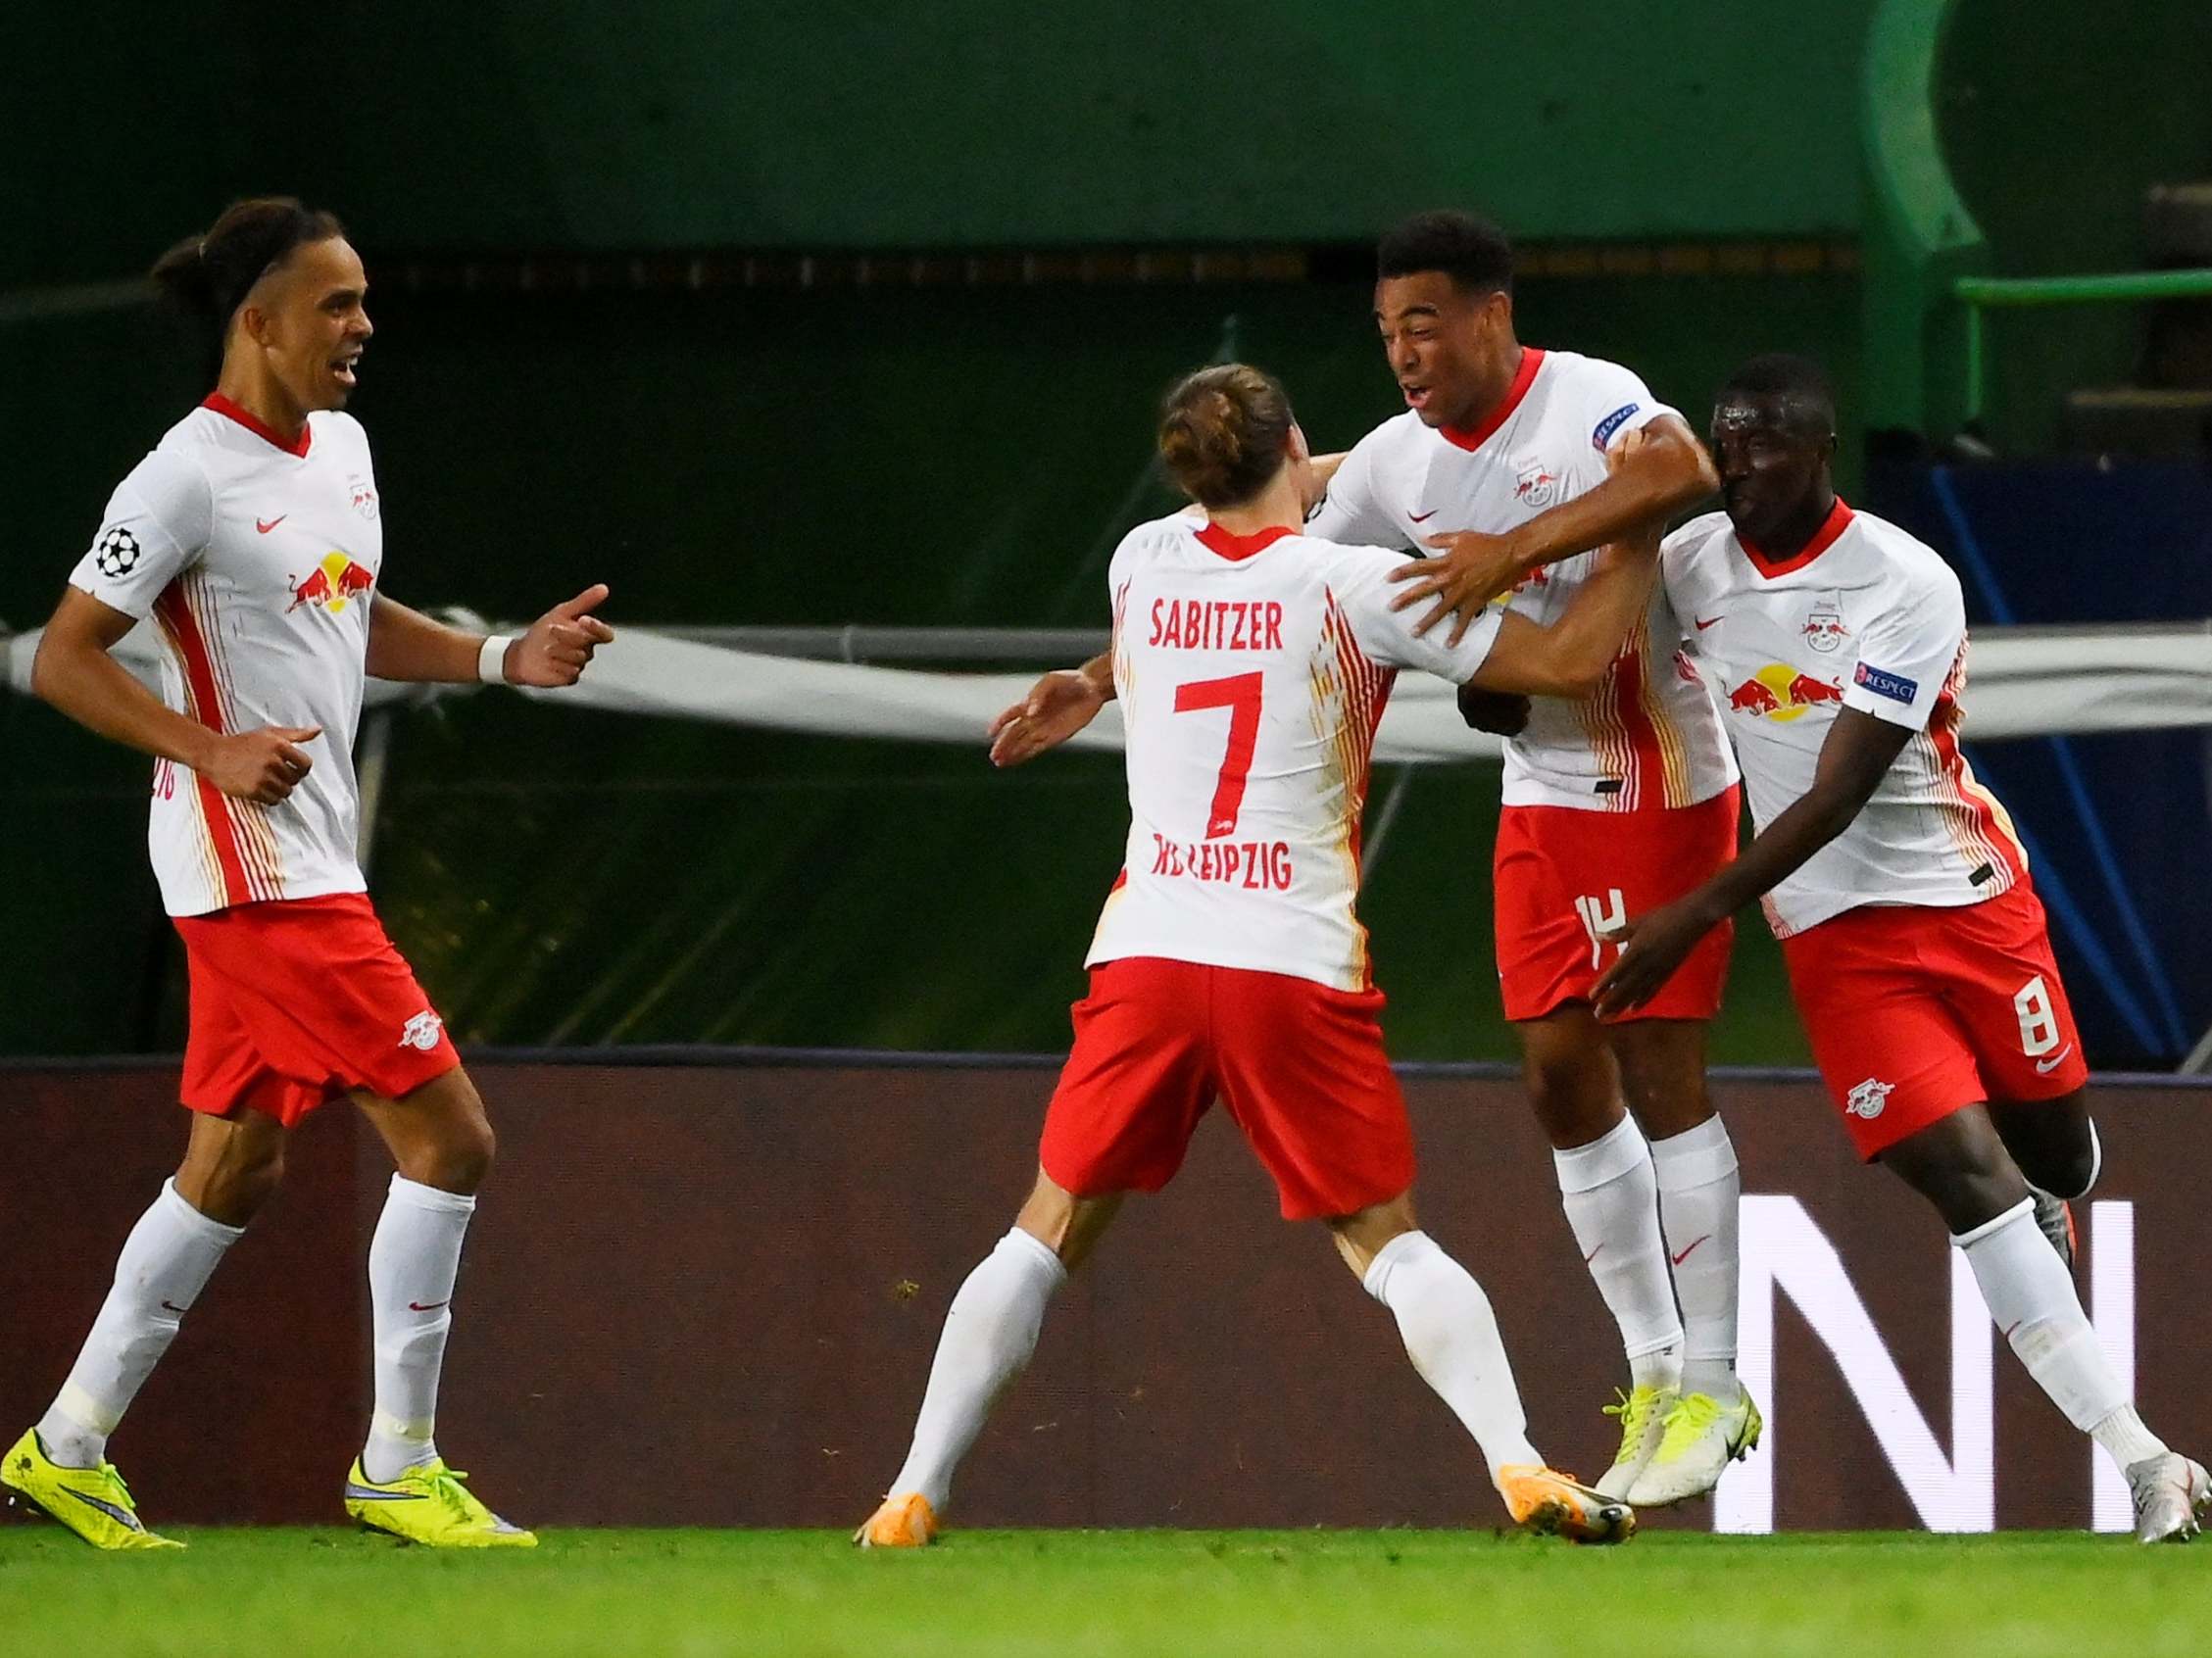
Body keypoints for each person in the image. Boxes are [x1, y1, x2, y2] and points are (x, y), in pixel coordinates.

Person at [994, 212, 1755, 1509]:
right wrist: (1093, 672)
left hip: (1654, 772)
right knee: (1559, 1079)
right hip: (1541, 785)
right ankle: (1652, 1372)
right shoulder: (1395, 461)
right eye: (1386, 329)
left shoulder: (1590, 400)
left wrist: (1513, 556)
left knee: (1655, 1063)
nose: (1403, 349)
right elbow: (1255, 536)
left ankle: (1717, 1381)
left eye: (1424, 322)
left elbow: (1684, 467)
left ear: (1490, 316)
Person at [860, 363, 1671, 1551]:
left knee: (1044, 1230)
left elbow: (1255, 497)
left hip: (1148, 950)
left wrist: (1096, 675)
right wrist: (1631, 532)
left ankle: (910, 1492)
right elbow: (1562, 666)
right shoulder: (1359, 583)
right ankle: (1518, 1464)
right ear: (1293, 442)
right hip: (1288, 957)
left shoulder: (1138, 562)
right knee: (1385, 1239)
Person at [2, 198, 614, 1551]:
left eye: (365, 302)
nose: (362, 327)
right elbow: (63, 656)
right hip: (254, 862)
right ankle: (399, 1466)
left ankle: (64, 1445)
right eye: (335, 304)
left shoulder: (338, 447)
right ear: (259, 319)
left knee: (233, 1165)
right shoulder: (181, 478)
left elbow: (347, 608)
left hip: (301, 845)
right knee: (451, 1136)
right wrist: (206, 747)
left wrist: (501, 656)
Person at [1592, 353, 2207, 1544]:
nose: (1734, 464)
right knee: (1967, 1189)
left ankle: (2050, 1183)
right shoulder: (1687, 566)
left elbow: (1836, 794)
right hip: (1834, 940)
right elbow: (1596, 654)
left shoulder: (1901, 579)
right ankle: (2147, 1462)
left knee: (2057, 1159)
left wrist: (1690, 914)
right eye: (1723, 440)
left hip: (1968, 902)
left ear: (1818, 452)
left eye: (1761, 442)